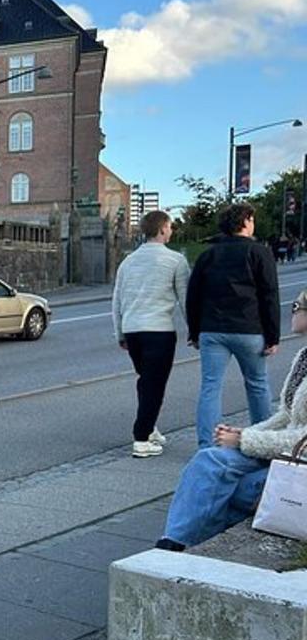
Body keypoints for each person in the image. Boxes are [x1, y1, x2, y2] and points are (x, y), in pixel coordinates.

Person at [158, 289, 307, 550]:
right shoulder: (304, 357)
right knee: (210, 459)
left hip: (299, 462)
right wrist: (245, 433)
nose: (293, 310)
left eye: (298, 305)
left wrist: (245, 439)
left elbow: (303, 438)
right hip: (283, 454)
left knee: (233, 489)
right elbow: (285, 415)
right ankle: (172, 545)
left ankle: (179, 549)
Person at [186, 201, 279, 449]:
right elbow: (269, 295)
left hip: (213, 330)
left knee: (210, 386)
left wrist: (195, 332)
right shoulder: (259, 252)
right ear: (245, 221)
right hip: (249, 329)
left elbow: (193, 296)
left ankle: (207, 444)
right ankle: (262, 441)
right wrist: (273, 336)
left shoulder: (208, 255)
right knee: (257, 383)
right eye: (252, 219)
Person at [111, 210, 190, 458]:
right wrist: (194, 330)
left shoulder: (128, 261)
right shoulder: (176, 261)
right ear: (163, 228)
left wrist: (120, 333)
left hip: (133, 331)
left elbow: (117, 300)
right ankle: (141, 439)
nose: (172, 231)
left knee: (146, 381)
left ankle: (150, 425)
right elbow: (185, 300)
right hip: (159, 331)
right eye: (170, 227)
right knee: (155, 385)